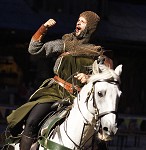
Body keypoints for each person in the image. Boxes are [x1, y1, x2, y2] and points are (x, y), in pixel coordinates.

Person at [6, 11, 113, 150]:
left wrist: (89, 78)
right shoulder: (64, 44)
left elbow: (105, 80)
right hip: (55, 91)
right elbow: (33, 49)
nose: (78, 23)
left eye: (83, 21)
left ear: (90, 28)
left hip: (81, 98)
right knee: (32, 122)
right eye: (78, 20)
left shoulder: (97, 54)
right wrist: (44, 28)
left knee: (101, 138)